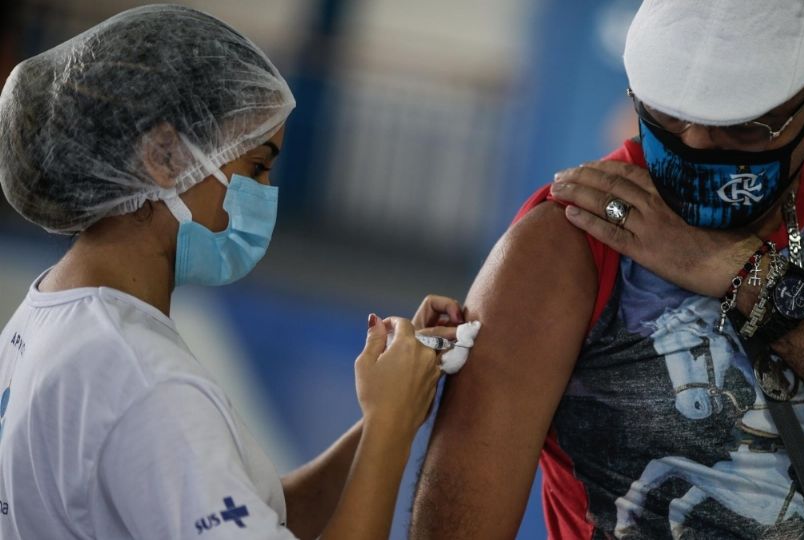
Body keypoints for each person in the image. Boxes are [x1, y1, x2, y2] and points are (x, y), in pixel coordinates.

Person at [411, 1, 804, 539]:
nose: (696, 140)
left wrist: (748, 276)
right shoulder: (567, 239)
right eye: (670, 109)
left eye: (743, 124)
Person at [0, 5, 464, 539]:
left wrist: (395, 410)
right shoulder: (142, 378)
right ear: (165, 155)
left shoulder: (54, 316)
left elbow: (253, 517)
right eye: (256, 167)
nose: (265, 196)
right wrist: (387, 427)